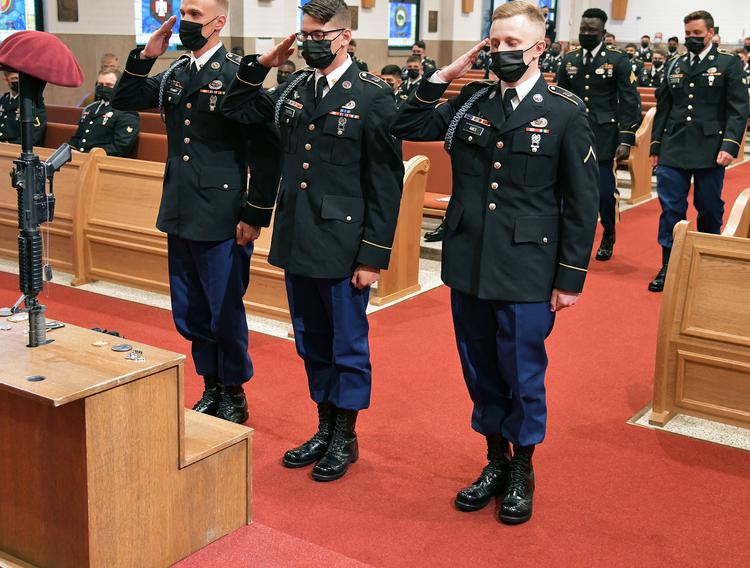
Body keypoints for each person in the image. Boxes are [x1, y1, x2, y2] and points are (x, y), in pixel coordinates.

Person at [393, 0, 597, 525]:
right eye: (495, 42)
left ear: (539, 47)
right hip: (469, 260)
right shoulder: (472, 102)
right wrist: (445, 74)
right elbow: (407, 122)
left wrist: (570, 276)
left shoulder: (565, 111)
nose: (502, 52)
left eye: (513, 43)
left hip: (529, 266)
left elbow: (581, 202)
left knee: (521, 370)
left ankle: (523, 467)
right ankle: (494, 460)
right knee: (479, 367)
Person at [222, 0, 403, 482]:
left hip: (344, 245)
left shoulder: (373, 96)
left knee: (346, 344)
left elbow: (386, 183)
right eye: (305, 34)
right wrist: (262, 66)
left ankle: (346, 435)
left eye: (320, 35)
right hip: (299, 234)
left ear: (345, 37)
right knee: (311, 340)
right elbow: (236, 107)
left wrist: (373, 255)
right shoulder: (294, 87)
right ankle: (323, 427)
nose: (310, 43)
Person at [111, 0, 281, 422]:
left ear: (219, 22)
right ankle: (210, 383)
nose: (185, 22)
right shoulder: (176, 72)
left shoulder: (238, 74)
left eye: (194, 16)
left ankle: (234, 390)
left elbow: (265, 151)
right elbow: (125, 97)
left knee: (223, 308)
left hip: (222, 211)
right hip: (181, 206)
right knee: (189, 308)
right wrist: (147, 54)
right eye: (182, 14)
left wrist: (255, 213)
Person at [648, 10, 748, 292]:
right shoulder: (675, 63)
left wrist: (730, 146)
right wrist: (656, 145)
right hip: (674, 147)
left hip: (710, 149)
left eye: (697, 34)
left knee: (709, 208)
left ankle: (707, 262)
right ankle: (669, 264)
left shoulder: (728, 63)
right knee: (671, 209)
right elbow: (664, 107)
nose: (691, 38)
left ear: (711, 33)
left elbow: (738, 109)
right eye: (688, 34)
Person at [558, 8, 641, 262]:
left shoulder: (618, 60)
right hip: (573, 136)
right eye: (583, 30)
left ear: (603, 33)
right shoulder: (569, 59)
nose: (586, 34)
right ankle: (568, 237)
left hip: (605, 136)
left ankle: (609, 232)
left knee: (604, 193)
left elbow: (630, 101)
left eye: (591, 31)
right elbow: (559, 97)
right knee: (567, 190)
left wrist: (626, 137)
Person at [70, 70, 140, 156]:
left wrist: (87, 156)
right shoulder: (90, 108)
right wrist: (70, 149)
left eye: (109, 85)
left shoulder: (126, 111)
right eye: (100, 84)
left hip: (103, 162)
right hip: (80, 159)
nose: (103, 88)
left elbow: (120, 147)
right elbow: (77, 137)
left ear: (119, 86)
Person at [0, 70, 47, 146]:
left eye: (21, 79)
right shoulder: (0, 100)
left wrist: (5, 146)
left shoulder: (32, 102)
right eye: (15, 79)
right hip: (0, 147)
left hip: (17, 149)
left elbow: (32, 137)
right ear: (6, 81)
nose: (19, 81)